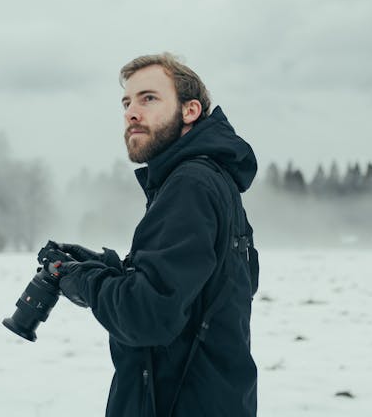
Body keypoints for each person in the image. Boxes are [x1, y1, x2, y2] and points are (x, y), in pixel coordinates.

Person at [49, 53, 259, 416]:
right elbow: (206, 290)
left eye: (149, 98)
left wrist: (82, 280)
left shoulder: (189, 185)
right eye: (127, 102)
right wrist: (111, 268)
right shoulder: (214, 180)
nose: (132, 112)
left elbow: (146, 317)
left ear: (190, 110)